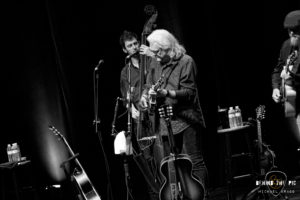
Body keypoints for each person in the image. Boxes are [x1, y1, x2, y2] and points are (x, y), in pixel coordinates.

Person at [139, 29, 209, 199]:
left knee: (193, 161)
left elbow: (189, 92)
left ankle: (202, 196)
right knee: (170, 165)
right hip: (164, 121)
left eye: (157, 52)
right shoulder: (156, 62)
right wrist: (144, 97)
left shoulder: (186, 61)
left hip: (186, 119)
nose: (153, 55)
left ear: (167, 47)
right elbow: (149, 85)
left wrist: (167, 93)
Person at [118, 30, 159, 200]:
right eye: (130, 45)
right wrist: (131, 109)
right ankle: (155, 194)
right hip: (140, 120)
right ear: (124, 50)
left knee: (161, 155)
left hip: (157, 115)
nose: (134, 47)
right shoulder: (125, 72)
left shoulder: (151, 61)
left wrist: (152, 54)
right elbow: (126, 98)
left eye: (136, 43)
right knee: (147, 160)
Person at [271, 10, 300, 172]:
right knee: (296, 139)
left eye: (295, 30)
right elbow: (277, 69)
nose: (291, 34)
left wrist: (291, 75)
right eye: (289, 30)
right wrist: (276, 88)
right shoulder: (286, 45)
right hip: (289, 100)